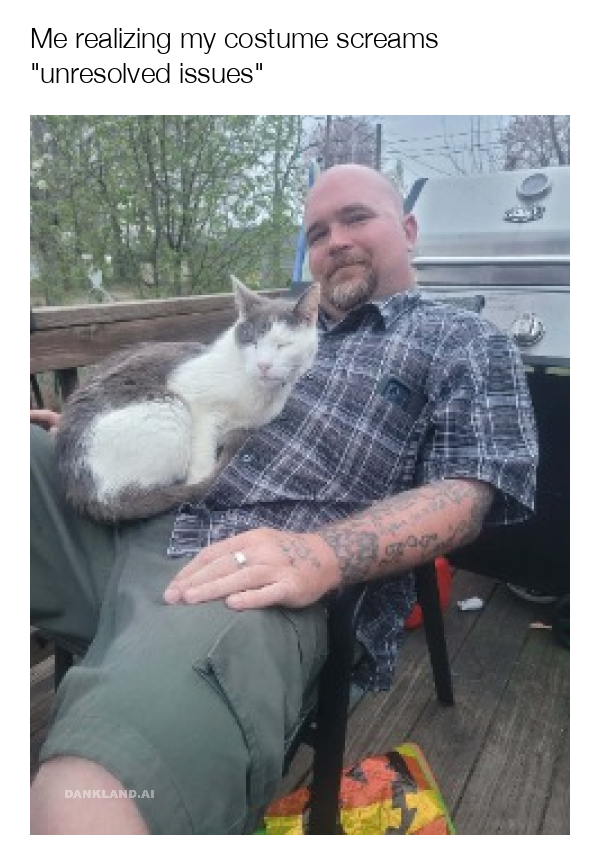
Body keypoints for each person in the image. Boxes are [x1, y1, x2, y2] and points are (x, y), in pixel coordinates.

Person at [30, 163, 538, 834]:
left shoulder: (463, 340)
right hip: (147, 499)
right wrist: (94, 426)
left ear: (410, 230)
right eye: (317, 232)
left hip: (243, 569)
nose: (335, 240)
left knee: (93, 790)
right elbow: (195, 397)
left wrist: (321, 553)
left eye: (356, 217)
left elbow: (472, 489)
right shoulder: (275, 329)